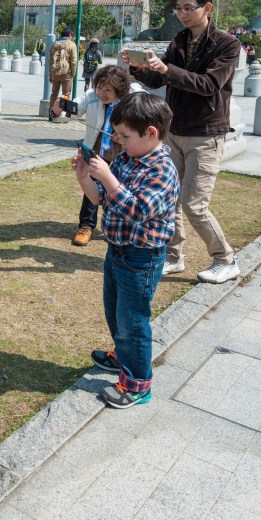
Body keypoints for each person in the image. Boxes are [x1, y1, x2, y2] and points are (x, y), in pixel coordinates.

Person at [123, 0, 241, 284]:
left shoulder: (226, 44)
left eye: (189, 8)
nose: (182, 13)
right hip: (174, 129)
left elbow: (208, 85)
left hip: (206, 133)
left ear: (207, 8)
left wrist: (166, 70)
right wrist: (137, 67)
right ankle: (173, 257)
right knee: (168, 198)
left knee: (194, 204)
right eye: (179, 8)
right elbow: (157, 81)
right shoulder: (179, 39)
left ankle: (225, 259)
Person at [74, 92, 179, 409]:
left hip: (141, 258)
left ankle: (137, 384)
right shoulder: (123, 160)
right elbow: (101, 199)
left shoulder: (162, 170)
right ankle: (122, 355)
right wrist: (84, 176)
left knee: (133, 320)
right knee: (114, 309)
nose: (117, 141)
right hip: (117, 251)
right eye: (115, 134)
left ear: (151, 133)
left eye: (124, 136)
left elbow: (136, 210)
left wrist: (106, 175)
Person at [52, 65, 143, 245]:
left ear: (120, 87)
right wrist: (57, 109)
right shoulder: (92, 96)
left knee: (122, 187)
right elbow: (70, 112)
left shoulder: (134, 96)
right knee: (92, 185)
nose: (103, 93)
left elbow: (147, 114)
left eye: (108, 89)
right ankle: (86, 226)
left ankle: (123, 226)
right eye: (100, 87)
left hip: (125, 150)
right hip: (97, 148)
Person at [48, 28, 78, 121]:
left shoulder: (53, 44)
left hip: (55, 72)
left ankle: (51, 114)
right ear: (69, 36)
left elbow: (50, 60)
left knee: (54, 93)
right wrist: (73, 72)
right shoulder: (72, 45)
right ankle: (64, 115)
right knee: (66, 94)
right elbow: (73, 61)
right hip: (67, 72)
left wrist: (50, 74)